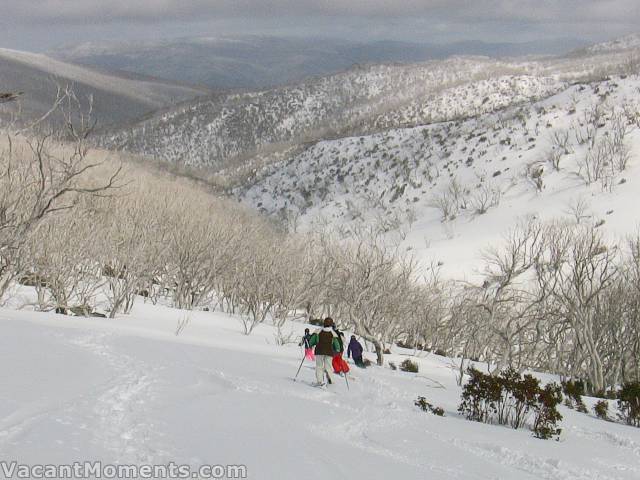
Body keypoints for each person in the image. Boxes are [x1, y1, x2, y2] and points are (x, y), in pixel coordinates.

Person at [308, 317, 341, 386]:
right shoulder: (333, 333)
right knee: (328, 367)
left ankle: (320, 381)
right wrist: (338, 350)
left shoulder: (318, 331)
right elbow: (337, 345)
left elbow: (311, 341)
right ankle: (331, 381)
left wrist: (311, 345)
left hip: (319, 351)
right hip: (329, 352)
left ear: (324, 323)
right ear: (331, 324)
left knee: (319, 366)